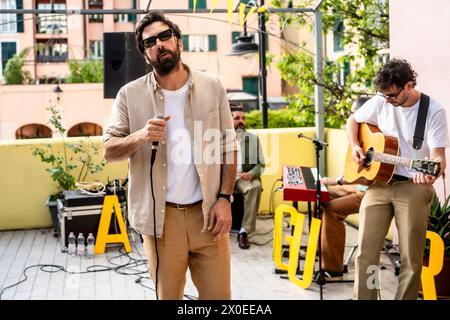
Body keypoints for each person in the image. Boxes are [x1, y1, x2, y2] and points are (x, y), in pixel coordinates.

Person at [103, 12, 238, 300]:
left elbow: (229, 147)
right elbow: (108, 149)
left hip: (209, 215)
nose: (159, 44)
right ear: (145, 53)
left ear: (178, 41)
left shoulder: (212, 86)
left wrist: (225, 200)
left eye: (165, 36)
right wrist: (141, 135)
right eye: (150, 41)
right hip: (161, 222)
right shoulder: (129, 95)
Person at [346, 59, 449, 300]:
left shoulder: (433, 111)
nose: (388, 101)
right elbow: (353, 121)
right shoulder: (382, 101)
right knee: (366, 254)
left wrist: (431, 172)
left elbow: (438, 157)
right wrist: (354, 146)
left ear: (409, 86)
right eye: (384, 96)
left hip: (413, 185)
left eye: (392, 96)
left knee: (410, 260)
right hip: (379, 183)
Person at [320, 97, 370, 279]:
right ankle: (322, 251)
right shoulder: (358, 136)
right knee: (321, 195)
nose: (351, 117)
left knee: (333, 210)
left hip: (370, 193)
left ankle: (333, 268)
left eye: (353, 113)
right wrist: (335, 182)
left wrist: (337, 181)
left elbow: (367, 178)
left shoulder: (373, 137)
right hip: (356, 188)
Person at [230, 103, 265, 249]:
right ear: (229, 119)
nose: (241, 121)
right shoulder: (219, 137)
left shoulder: (252, 139)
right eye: (237, 118)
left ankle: (244, 231)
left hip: (242, 178)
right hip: (224, 178)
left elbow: (261, 164)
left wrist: (251, 174)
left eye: (243, 118)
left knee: (256, 186)